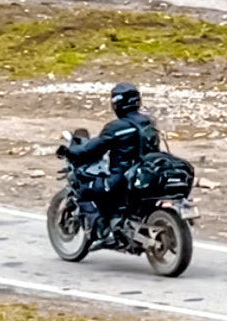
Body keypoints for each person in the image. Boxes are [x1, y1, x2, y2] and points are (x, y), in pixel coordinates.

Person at [59, 82, 160, 238]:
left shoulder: (116, 127)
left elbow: (91, 150)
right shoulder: (148, 123)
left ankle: (100, 232)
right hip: (147, 175)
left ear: (117, 103)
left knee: (84, 190)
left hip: (122, 179)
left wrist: (69, 151)